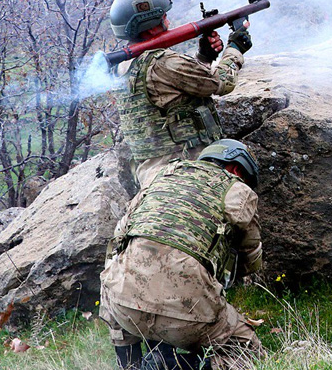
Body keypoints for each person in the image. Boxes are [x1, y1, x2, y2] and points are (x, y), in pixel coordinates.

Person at [100, 138, 264, 370]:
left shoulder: (161, 174)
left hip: (122, 307)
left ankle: (130, 365)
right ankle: (175, 366)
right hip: (187, 315)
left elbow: (119, 237)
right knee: (247, 350)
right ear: (237, 169)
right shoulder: (238, 190)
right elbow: (251, 260)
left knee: (116, 271)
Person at [109, 0, 254, 188]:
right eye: (164, 17)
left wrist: (204, 57)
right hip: (187, 170)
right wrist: (235, 48)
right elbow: (221, 83)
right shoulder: (163, 62)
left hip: (153, 174)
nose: (168, 22)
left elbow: (173, 89)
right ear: (151, 26)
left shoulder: (122, 66)